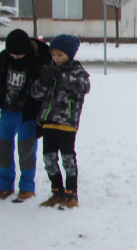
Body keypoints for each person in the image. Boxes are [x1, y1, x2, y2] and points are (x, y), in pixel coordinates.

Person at [0, 29, 51, 202]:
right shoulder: (4, 57)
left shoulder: (39, 61)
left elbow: (45, 94)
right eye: (11, 53)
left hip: (27, 115)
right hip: (7, 112)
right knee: (3, 150)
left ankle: (27, 188)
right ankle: (4, 186)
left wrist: (41, 120)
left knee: (26, 152)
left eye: (17, 55)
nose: (14, 57)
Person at [28, 35, 91, 209]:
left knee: (67, 159)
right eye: (53, 54)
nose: (55, 58)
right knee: (49, 160)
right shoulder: (48, 69)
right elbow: (35, 93)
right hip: (48, 122)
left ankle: (72, 194)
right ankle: (57, 191)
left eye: (59, 55)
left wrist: (61, 78)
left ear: (69, 55)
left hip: (66, 124)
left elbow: (84, 87)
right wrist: (43, 80)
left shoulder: (77, 71)